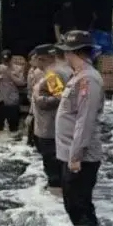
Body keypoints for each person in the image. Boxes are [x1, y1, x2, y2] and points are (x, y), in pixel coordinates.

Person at [55, 30, 104, 226]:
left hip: (80, 157)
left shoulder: (88, 80)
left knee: (79, 202)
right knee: (72, 200)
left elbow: (85, 121)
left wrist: (75, 156)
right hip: (71, 152)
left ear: (72, 52)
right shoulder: (79, 77)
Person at [33, 44, 73, 196]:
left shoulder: (52, 73)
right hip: (62, 125)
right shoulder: (66, 69)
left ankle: (56, 196)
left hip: (50, 127)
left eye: (36, 59)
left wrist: (39, 99)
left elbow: (59, 97)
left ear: (41, 58)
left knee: (53, 167)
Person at [0, 49, 25, 138]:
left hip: (12, 101)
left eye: (8, 60)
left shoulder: (18, 69)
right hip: (0, 100)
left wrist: (10, 74)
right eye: (4, 61)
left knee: (13, 128)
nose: (6, 63)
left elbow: (22, 83)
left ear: (11, 59)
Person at [26, 50, 44, 147]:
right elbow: (30, 88)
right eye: (34, 59)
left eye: (37, 58)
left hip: (40, 101)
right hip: (33, 100)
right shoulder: (31, 71)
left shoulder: (43, 71)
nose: (36, 60)